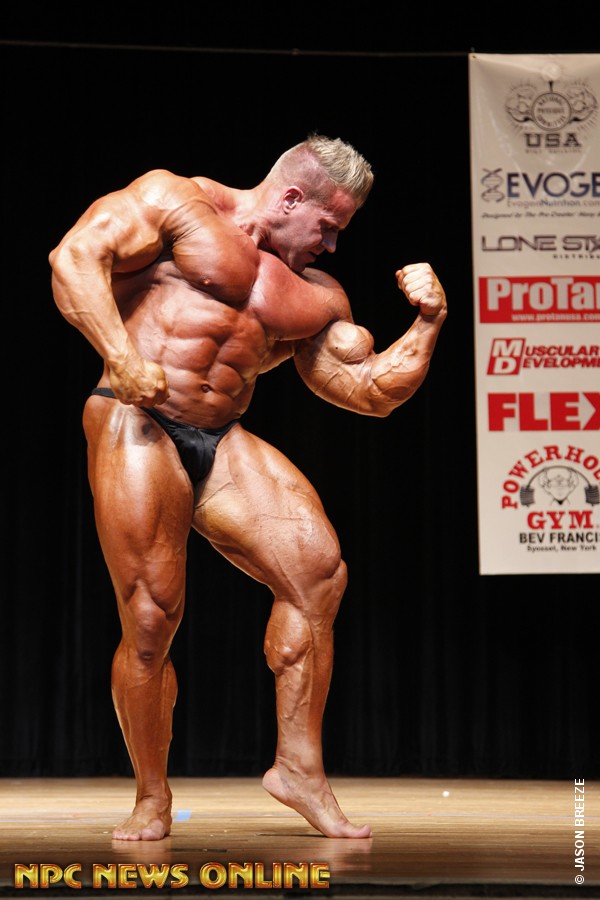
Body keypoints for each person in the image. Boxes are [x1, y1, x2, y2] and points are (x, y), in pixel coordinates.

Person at [49, 134, 447, 842]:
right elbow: (74, 258)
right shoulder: (178, 201)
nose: (331, 245)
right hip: (134, 417)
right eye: (328, 226)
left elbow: (368, 392)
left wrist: (427, 323)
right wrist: (119, 355)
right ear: (291, 198)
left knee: (318, 573)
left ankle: (299, 768)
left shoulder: (319, 294)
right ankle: (151, 797)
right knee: (150, 620)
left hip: (219, 436)